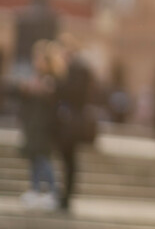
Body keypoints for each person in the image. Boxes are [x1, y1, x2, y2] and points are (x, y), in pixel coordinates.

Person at [16, 39, 66, 211]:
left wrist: (40, 91)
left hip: (44, 127)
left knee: (43, 159)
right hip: (33, 125)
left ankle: (53, 191)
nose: (36, 62)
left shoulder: (52, 80)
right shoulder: (36, 78)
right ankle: (35, 190)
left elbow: (54, 103)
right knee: (34, 158)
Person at [55, 33, 97, 211]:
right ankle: (65, 195)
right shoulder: (79, 67)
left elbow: (74, 93)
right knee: (68, 159)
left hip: (73, 121)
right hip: (73, 120)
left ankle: (66, 196)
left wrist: (57, 87)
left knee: (69, 159)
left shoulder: (77, 68)